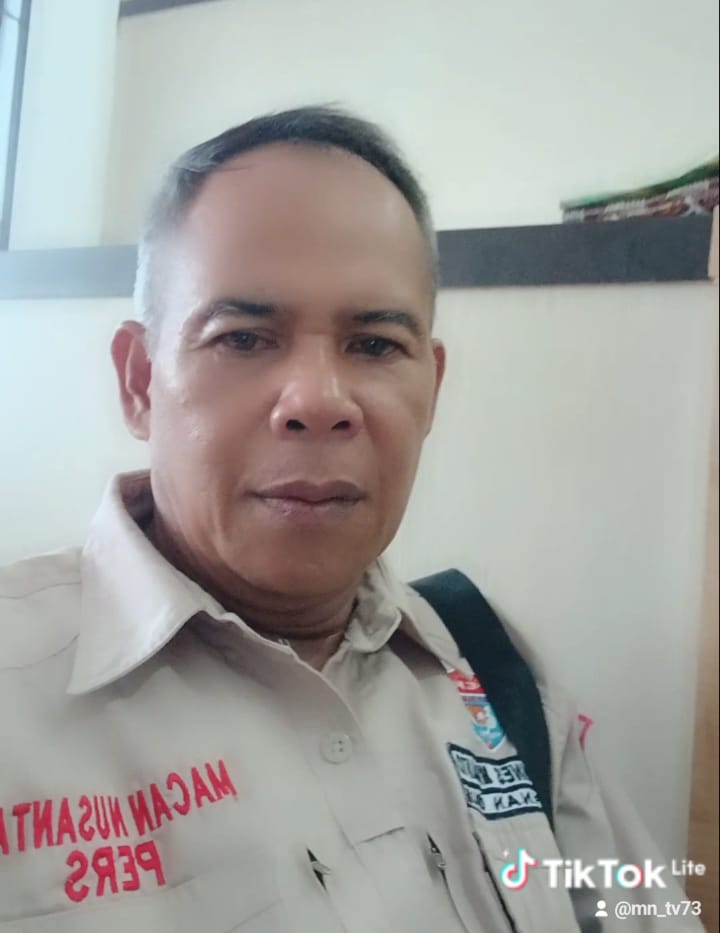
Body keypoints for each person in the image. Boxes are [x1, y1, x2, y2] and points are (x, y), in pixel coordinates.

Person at [0, 106, 702, 932]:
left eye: (373, 345)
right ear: (138, 380)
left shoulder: (498, 675)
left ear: (431, 389)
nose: (318, 400)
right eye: (243, 338)